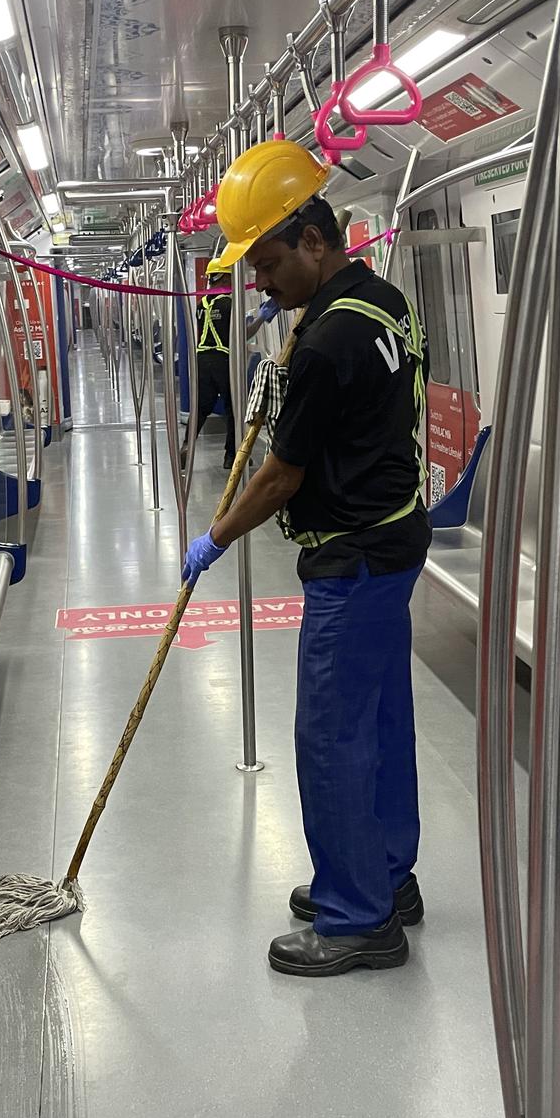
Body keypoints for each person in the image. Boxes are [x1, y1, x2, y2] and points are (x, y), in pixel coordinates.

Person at [182, 139, 430, 979]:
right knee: (381, 718)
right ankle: (388, 877)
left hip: (351, 557)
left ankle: (358, 916)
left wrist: (213, 539)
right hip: (396, 538)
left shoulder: (324, 346)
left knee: (330, 735)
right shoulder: (381, 302)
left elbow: (282, 477)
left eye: (269, 261)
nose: (258, 281)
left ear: (315, 240)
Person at [188, 259, 277, 469]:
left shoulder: (202, 305)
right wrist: (261, 318)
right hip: (223, 360)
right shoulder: (229, 304)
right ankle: (231, 455)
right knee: (235, 408)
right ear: (227, 277)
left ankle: (187, 446)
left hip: (202, 359)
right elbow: (242, 335)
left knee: (200, 408)